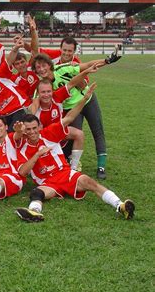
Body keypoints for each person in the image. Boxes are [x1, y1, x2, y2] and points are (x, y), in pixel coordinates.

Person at [15, 85, 135, 222]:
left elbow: (70, 117)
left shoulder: (49, 133)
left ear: (40, 127)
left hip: (64, 173)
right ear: (24, 130)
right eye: (28, 129)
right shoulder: (23, 147)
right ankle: (34, 212)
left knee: (89, 182)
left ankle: (120, 205)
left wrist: (84, 98)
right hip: (47, 182)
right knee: (37, 193)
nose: (32, 132)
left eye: (34, 128)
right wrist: (37, 154)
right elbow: (23, 172)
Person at [32, 50, 121, 179]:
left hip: (87, 99)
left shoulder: (62, 69)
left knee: (97, 131)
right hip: (71, 109)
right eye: (38, 67)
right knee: (75, 135)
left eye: (43, 65)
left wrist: (106, 61)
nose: (41, 69)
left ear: (49, 65)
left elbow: (86, 66)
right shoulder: (42, 87)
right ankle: (73, 165)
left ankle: (101, 167)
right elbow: (34, 104)